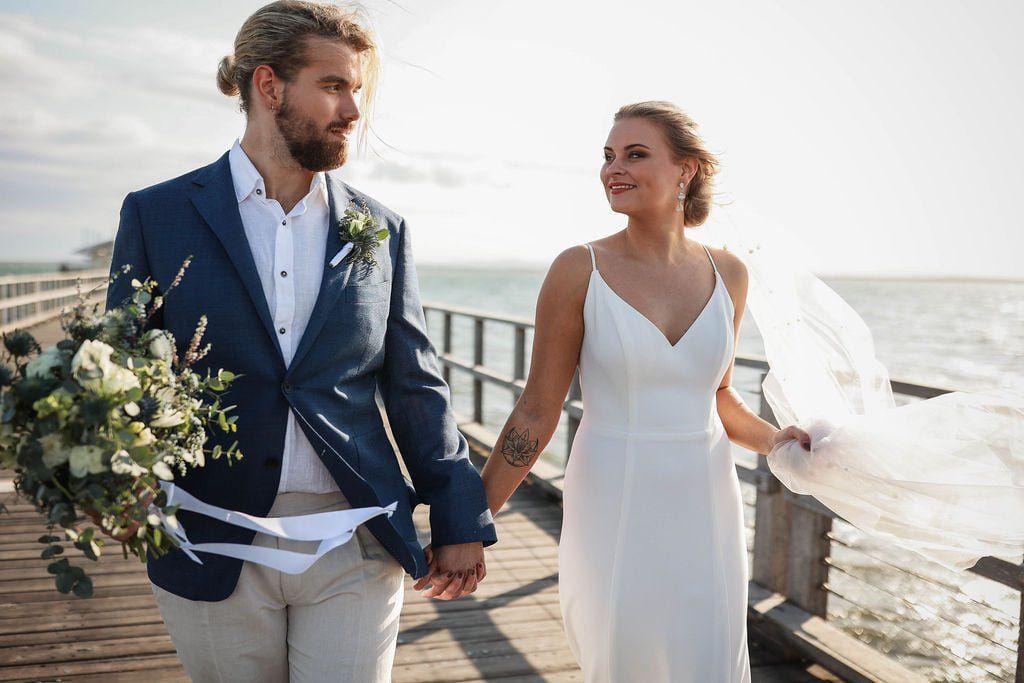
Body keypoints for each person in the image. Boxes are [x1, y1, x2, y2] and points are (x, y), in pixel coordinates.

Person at [104, 2, 495, 681]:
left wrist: (459, 513)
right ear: (269, 85)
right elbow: (123, 368)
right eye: (334, 85)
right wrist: (122, 480)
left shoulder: (383, 228)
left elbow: (416, 383)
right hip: (208, 530)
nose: (353, 109)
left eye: (356, 90)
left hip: (356, 535)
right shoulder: (157, 213)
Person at [480, 100, 810, 682]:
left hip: (706, 498)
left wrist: (776, 440)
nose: (614, 169)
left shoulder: (729, 272)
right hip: (614, 492)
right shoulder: (578, 268)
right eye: (608, 157)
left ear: (686, 170)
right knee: (622, 654)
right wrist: (472, 520)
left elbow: (720, 396)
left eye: (635, 154)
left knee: (705, 657)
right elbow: (537, 408)